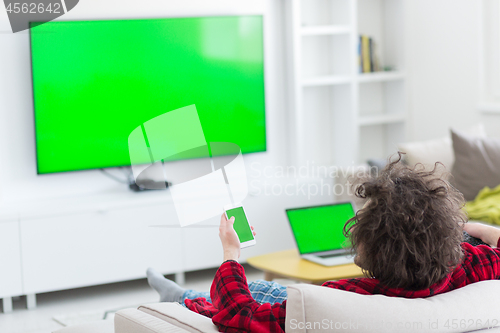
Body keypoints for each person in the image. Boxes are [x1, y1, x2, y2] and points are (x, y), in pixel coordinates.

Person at [147, 155, 500, 333]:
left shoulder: (342, 298)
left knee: (259, 295)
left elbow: (238, 316)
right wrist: (472, 227)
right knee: (267, 289)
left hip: (292, 307)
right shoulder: (476, 264)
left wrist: (231, 254)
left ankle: (182, 299)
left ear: (367, 247)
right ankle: (183, 295)